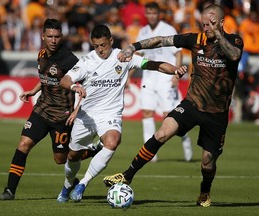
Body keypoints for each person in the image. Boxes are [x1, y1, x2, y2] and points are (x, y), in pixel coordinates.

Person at [103, 4, 243, 207]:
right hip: (192, 104)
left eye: (211, 24)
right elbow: (162, 40)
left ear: (221, 23)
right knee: (162, 133)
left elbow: (235, 56)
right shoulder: (195, 40)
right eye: (204, 24)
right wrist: (134, 47)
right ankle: (127, 175)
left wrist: (219, 35)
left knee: (207, 163)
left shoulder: (234, 40)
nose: (207, 28)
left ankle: (205, 192)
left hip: (217, 113)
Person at [56, 24, 187, 203]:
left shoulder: (124, 57)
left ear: (111, 40)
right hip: (86, 116)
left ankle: (83, 184)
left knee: (113, 141)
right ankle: (68, 184)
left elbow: (153, 65)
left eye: (103, 45)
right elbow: (65, 79)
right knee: (72, 156)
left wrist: (175, 70)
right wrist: (74, 86)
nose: (100, 50)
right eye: (96, 46)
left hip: (110, 114)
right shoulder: (88, 61)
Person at [0, 18, 98, 201]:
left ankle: (93, 150)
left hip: (62, 116)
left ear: (61, 37)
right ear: (43, 36)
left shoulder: (70, 60)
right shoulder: (41, 53)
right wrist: (33, 91)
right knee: (23, 145)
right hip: (41, 110)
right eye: (50, 36)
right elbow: (45, 78)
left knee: (61, 159)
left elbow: (83, 87)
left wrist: (75, 111)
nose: (54, 40)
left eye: (57, 36)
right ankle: (9, 191)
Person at [135, 2, 192, 162]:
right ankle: (150, 154)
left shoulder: (168, 29)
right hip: (149, 77)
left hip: (166, 77)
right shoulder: (143, 31)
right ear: (146, 14)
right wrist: (127, 75)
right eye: (149, 13)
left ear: (158, 14)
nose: (152, 15)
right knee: (147, 113)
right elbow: (138, 54)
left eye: (154, 13)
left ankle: (185, 140)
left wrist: (176, 74)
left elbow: (178, 52)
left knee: (170, 117)